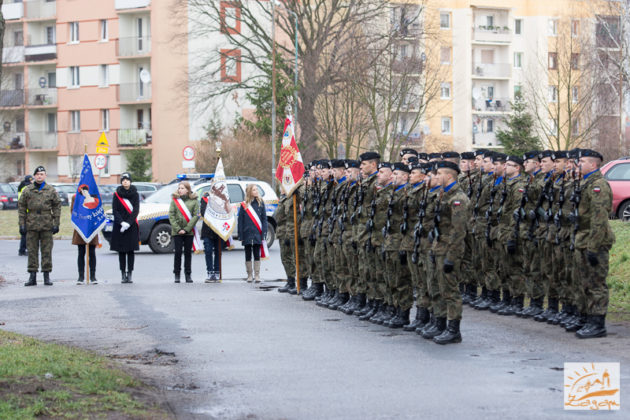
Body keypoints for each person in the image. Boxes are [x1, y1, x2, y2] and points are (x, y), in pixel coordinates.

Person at [18, 166, 61, 286]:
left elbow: (57, 207)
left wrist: (56, 224)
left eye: (42, 174)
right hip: (31, 223)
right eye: (37, 174)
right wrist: (22, 224)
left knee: (46, 250)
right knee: (32, 251)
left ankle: (46, 275)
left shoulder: (51, 190)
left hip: (46, 223)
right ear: (34, 176)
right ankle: (32, 276)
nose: (39, 176)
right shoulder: (27, 190)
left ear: (45, 175)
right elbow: (21, 208)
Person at [110, 172, 139, 284]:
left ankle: (130, 273)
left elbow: (136, 210)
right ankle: (123, 273)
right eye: (123, 180)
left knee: (130, 251)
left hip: (131, 226)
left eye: (127, 180)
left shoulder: (135, 194)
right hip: (120, 226)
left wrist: (128, 223)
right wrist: (121, 222)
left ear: (130, 181)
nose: (125, 182)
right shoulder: (117, 194)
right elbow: (115, 210)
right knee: (121, 251)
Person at [169, 181, 200, 283]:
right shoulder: (174, 201)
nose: (180, 190)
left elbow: (196, 216)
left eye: (182, 188)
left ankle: (188, 274)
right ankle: (177, 274)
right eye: (179, 188)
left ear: (187, 190)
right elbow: (171, 216)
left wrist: (186, 229)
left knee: (188, 253)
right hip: (177, 231)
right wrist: (178, 229)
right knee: (178, 252)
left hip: (188, 231)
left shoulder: (194, 201)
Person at [237, 184, 267, 282]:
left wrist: (264, 233)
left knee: (257, 254)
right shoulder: (244, 205)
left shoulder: (261, 203)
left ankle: (257, 275)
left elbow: (264, 219)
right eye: (254, 190)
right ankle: (249, 275)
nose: (256, 191)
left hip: (257, 233)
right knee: (248, 254)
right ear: (250, 192)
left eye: (257, 189)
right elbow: (240, 221)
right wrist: (241, 235)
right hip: (247, 233)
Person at [71, 190, 99, 285]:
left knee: (92, 252)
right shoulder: (76, 197)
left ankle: (93, 276)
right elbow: (73, 212)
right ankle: (81, 276)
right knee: (81, 252)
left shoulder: (95, 197)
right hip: (80, 227)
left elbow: (98, 211)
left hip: (91, 227)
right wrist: (82, 220)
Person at [200, 192, 224, 283]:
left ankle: (217, 272)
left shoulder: (223, 198)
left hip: (219, 230)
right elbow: (203, 213)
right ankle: (210, 273)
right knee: (208, 250)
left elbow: (225, 212)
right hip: (207, 229)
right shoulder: (205, 198)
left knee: (218, 251)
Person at [17, 175, 33, 256]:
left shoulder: (21, 187)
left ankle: (22, 250)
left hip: (23, 213)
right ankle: (23, 249)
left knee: (24, 232)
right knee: (26, 232)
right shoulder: (27, 188)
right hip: (27, 213)